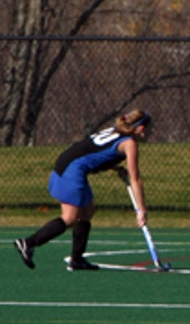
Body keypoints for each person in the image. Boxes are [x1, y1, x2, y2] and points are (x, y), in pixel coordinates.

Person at [13, 110, 153, 271]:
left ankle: (77, 259)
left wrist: (114, 167)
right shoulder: (130, 144)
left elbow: (92, 150)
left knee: (87, 211)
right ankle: (28, 243)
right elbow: (136, 179)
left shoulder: (114, 131)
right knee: (70, 218)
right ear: (141, 128)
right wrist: (141, 210)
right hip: (72, 171)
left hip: (68, 162)